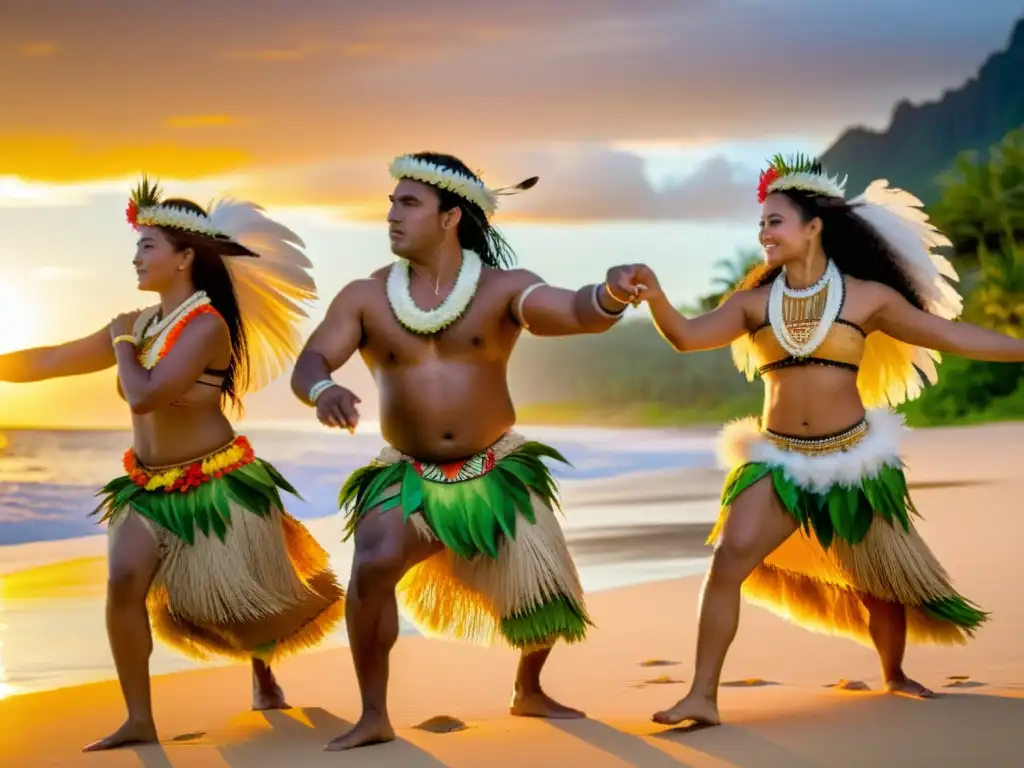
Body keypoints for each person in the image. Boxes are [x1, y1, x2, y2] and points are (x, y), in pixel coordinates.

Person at [609, 154, 1019, 728]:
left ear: (813, 226)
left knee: (881, 581)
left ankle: (893, 673)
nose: (764, 234)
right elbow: (687, 336)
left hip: (852, 459)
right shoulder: (754, 302)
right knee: (728, 560)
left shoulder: (868, 298)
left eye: (775, 222)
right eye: (761, 225)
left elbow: (951, 335)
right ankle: (701, 695)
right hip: (778, 460)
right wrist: (653, 296)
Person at [291, 151, 644, 750]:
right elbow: (312, 360)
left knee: (544, 594)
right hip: (409, 473)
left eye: (408, 203)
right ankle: (373, 712)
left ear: (451, 216)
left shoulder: (504, 288)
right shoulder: (366, 297)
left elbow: (572, 312)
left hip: (493, 466)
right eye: (391, 202)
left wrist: (609, 292)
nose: (392, 215)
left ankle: (528, 688)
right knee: (372, 564)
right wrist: (322, 389)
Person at [0, 177, 345, 750]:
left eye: (148, 245)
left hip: (217, 483)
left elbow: (147, 394)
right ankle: (139, 718)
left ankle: (262, 670)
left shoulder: (207, 326)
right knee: (123, 583)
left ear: (185, 257)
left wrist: (120, 346)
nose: (136, 256)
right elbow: (55, 358)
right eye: (136, 246)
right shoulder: (139, 324)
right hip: (147, 486)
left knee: (242, 605)